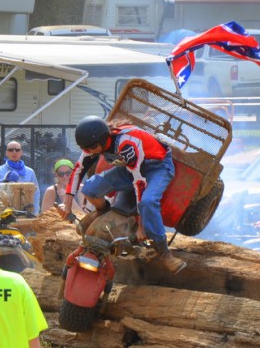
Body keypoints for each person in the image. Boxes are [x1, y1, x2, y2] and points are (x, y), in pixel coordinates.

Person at [62, 116, 186, 274]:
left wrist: (141, 227)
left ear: (101, 141)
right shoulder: (92, 146)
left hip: (157, 167)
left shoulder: (126, 144)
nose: (87, 152)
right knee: (89, 189)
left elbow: (139, 183)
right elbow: (78, 170)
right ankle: (103, 214)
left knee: (148, 202)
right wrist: (67, 206)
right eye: (85, 149)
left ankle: (164, 253)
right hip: (128, 168)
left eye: (90, 149)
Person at [0, 141, 40, 214]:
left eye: (17, 150)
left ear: (21, 153)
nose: (14, 152)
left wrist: (35, 212)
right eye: (11, 150)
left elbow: (36, 194)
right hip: (3, 214)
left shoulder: (30, 172)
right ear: (6, 153)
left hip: (25, 213)